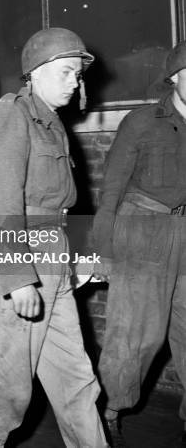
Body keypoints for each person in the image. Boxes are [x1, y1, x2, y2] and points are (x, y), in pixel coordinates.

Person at [0, 28, 108, 447]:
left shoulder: (51, 123)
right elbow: (0, 200)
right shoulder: (13, 114)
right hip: (24, 260)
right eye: (66, 72)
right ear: (37, 72)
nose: (74, 82)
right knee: (6, 393)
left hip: (54, 261)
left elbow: (56, 206)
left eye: (78, 76)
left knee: (76, 382)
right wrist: (18, 278)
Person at [92, 41, 186, 446]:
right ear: (175, 77)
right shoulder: (142, 121)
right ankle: (110, 411)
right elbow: (110, 189)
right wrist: (101, 248)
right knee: (136, 336)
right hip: (141, 232)